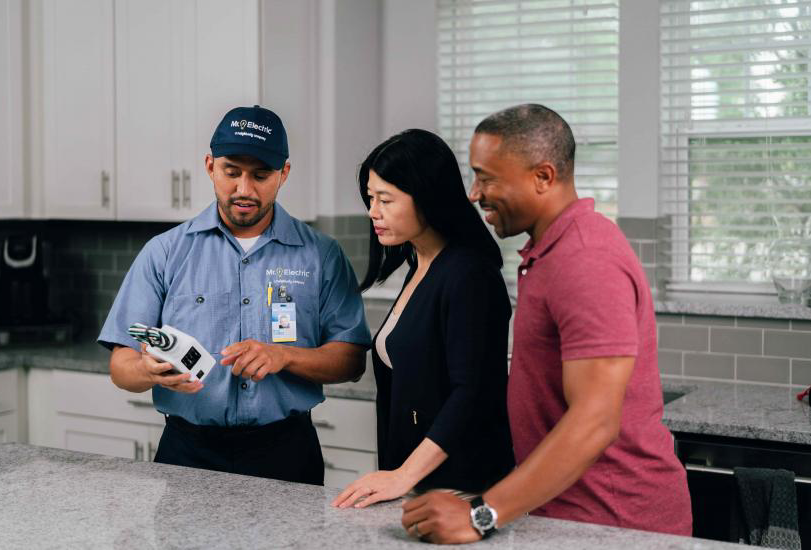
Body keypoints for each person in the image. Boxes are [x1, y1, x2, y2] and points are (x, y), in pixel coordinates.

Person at [400, 105, 692, 542]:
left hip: (617, 524)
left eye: (487, 177)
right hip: (568, 514)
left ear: (543, 176)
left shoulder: (585, 259)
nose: (474, 193)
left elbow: (595, 420)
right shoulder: (549, 252)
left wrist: (481, 514)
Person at [98, 105, 371, 485]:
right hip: (186, 453)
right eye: (232, 172)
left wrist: (283, 355)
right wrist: (147, 370)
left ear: (284, 174)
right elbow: (120, 364)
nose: (245, 189)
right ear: (210, 166)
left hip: (287, 453)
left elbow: (351, 360)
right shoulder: (164, 253)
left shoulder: (321, 255)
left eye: (261, 175)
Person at [331, 129, 514, 510]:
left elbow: (473, 395)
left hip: (460, 492)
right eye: (370, 198)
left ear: (428, 199)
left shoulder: (469, 274)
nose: (372, 212)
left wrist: (404, 475)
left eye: (385, 199)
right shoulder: (421, 264)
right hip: (417, 486)